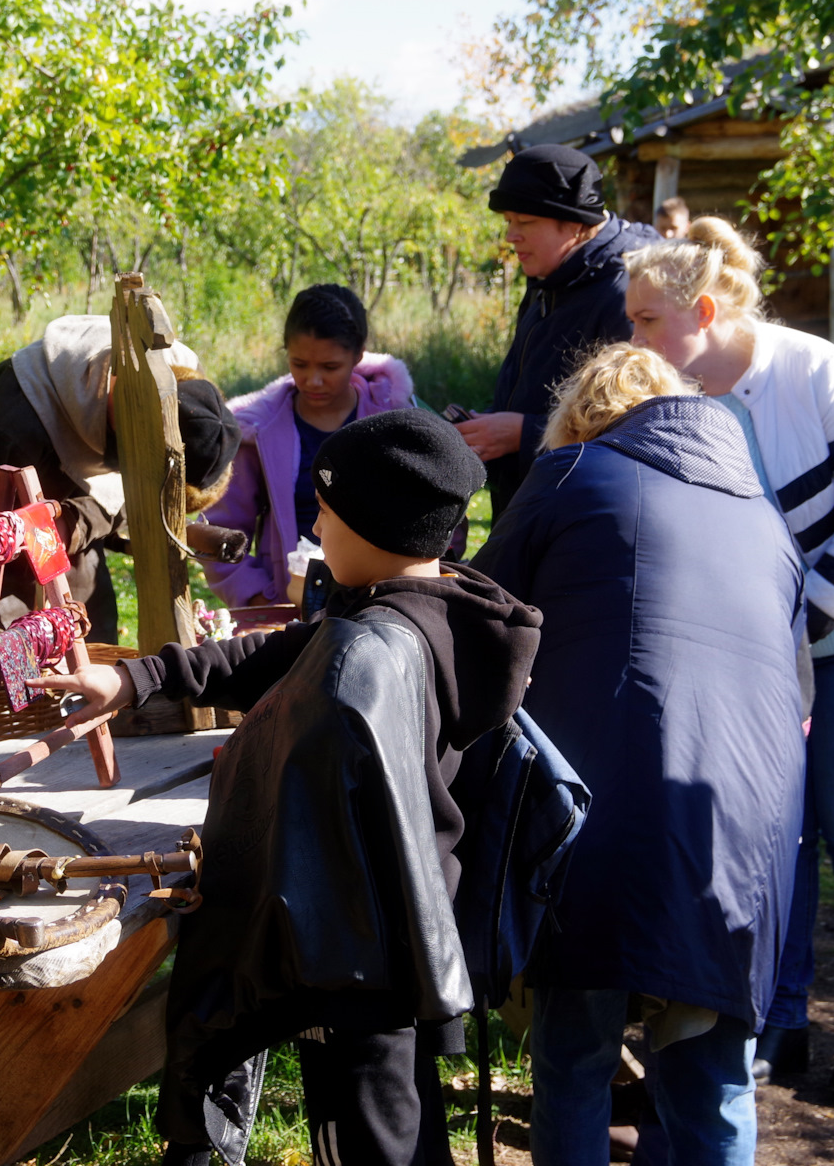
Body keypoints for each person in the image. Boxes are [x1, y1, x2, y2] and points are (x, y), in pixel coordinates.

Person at [36, 409, 542, 1166]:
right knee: (400, 1123)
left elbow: (296, 811)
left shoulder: (360, 657)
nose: (315, 525)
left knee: (372, 1140)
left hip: (345, 955)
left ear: (372, 527)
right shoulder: (435, 611)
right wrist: (137, 676)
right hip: (394, 934)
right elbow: (284, 655)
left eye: (327, 512)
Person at [474, 343, 807, 1166]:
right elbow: (800, 694)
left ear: (579, 418)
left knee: (573, 1059)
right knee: (713, 1078)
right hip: (741, 830)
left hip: (603, 817)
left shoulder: (569, 473)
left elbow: (474, 621)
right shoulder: (768, 522)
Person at [624, 218, 834, 1096]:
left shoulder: (816, 371)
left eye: (646, 320)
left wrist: (795, 642)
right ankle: (780, 1018)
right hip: (771, 636)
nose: (633, 338)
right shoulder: (676, 399)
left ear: (705, 311)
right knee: (778, 830)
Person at [0, 314, 240, 645]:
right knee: (10, 657)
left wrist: (81, 523)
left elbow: (110, 505)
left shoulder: (179, 387)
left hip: (72, 567)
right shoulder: (11, 430)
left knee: (90, 635)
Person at [456, 143, 658, 515]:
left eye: (526, 222)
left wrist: (523, 432)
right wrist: (490, 424)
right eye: (508, 221)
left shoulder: (626, 292)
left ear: (576, 224)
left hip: (582, 513)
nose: (511, 236)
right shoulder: (549, 276)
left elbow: (634, 428)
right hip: (530, 501)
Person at [199, 283, 416, 609]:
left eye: (330, 367)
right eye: (299, 364)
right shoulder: (256, 431)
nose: (313, 380)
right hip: (290, 609)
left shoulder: (394, 420)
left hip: (385, 605)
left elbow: (427, 512)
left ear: (358, 355)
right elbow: (221, 530)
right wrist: (261, 597)